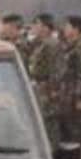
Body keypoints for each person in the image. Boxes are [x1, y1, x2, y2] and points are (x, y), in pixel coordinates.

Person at [57, 16, 81, 159]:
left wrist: (80, 97)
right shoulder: (70, 47)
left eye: (68, 26)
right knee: (72, 130)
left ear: (76, 30)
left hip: (76, 96)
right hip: (67, 94)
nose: (65, 29)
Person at [26, 14, 63, 144]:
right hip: (40, 88)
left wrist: (53, 90)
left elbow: (56, 69)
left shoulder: (52, 44)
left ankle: (52, 151)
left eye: (37, 24)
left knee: (48, 125)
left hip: (46, 90)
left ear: (46, 28)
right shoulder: (41, 44)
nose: (34, 27)